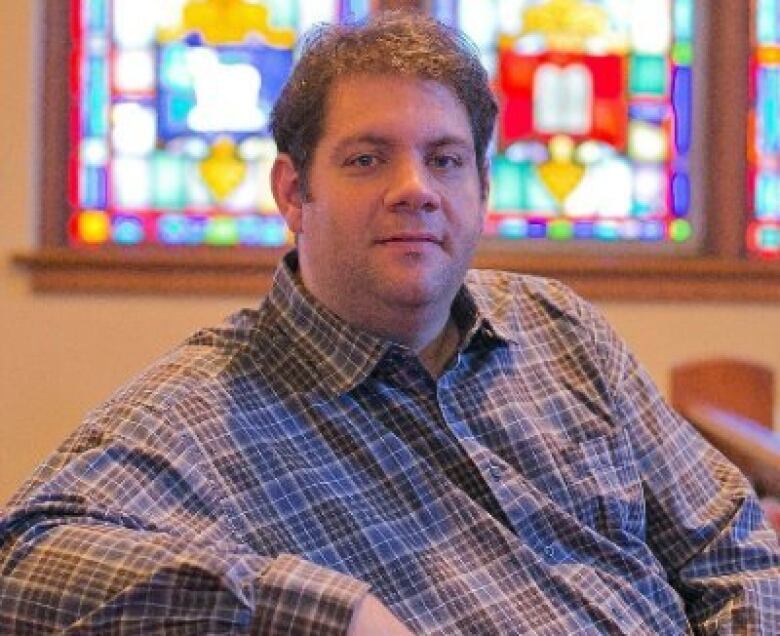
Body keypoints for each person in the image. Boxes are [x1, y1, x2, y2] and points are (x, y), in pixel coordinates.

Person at [2, 11, 779, 635]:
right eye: (367, 159)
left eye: (445, 160)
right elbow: (20, 563)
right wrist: (323, 610)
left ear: (480, 188)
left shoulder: (559, 328)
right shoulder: (201, 413)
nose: (416, 190)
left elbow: (730, 544)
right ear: (292, 192)